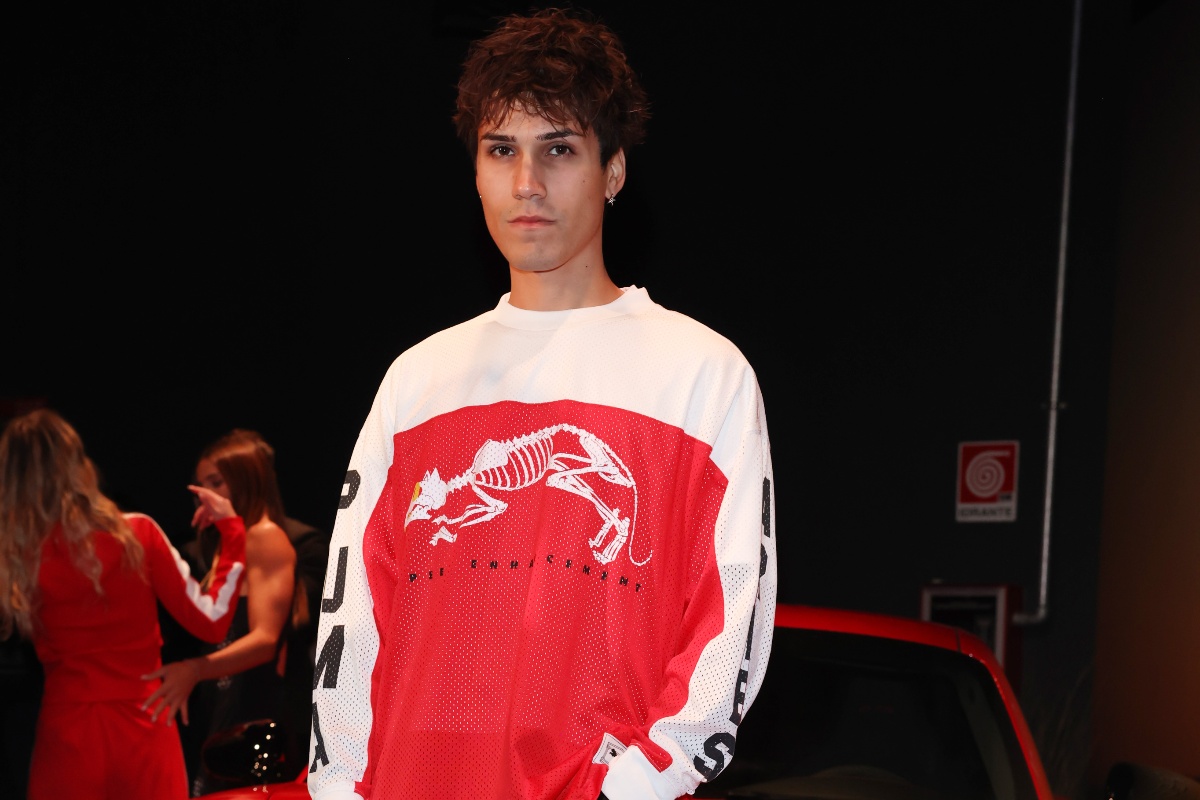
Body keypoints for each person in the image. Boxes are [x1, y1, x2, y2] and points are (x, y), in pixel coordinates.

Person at [307, 7, 778, 800]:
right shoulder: (417, 381)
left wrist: (631, 788)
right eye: (502, 150)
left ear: (614, 171)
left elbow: (731, 617)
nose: (527, 183)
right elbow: (351, 618)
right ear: (476, 171)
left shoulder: (703, 374)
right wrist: (338, 788)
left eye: (558, 149)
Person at [0, 408, 247, 800]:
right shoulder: (137, 533)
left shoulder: (14, 556)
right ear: (78, 464)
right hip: (144, 723)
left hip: (68, 735)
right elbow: (212, 620)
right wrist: (232, 532)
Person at [143, 428, 301, 795]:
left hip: (248, 704)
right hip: (220, 700)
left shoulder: (265, 536)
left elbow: (265, 640)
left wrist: (194, 669)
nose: (206, 494)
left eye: (217, 482)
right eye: (201, 485)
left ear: (247, 480)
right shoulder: (227, 544)